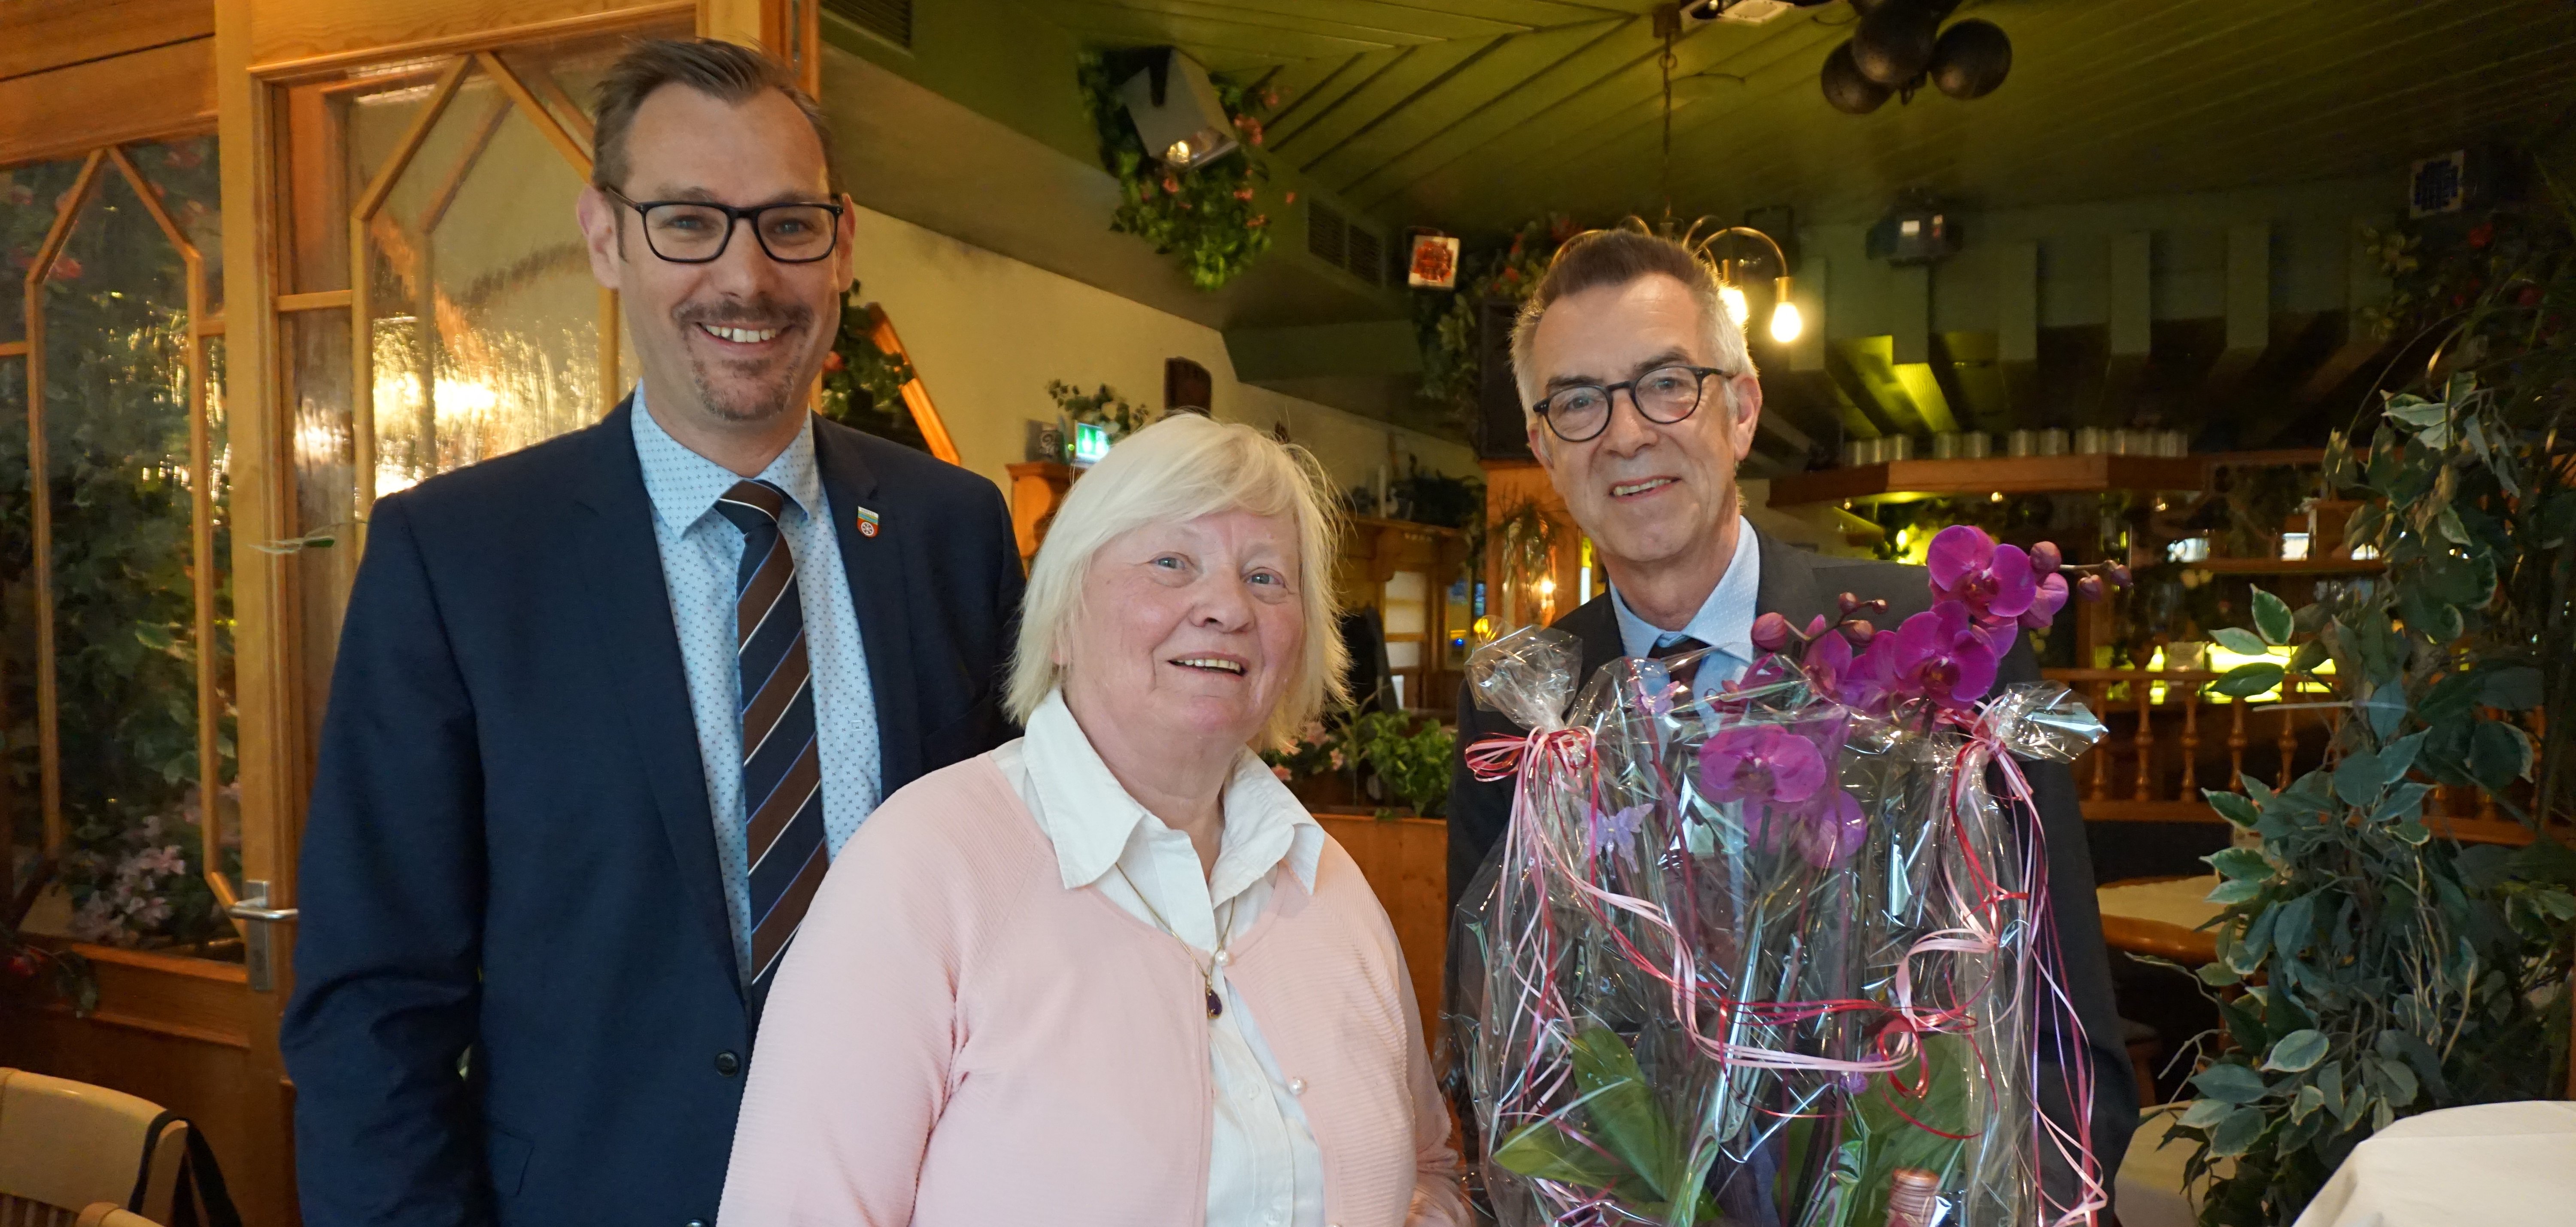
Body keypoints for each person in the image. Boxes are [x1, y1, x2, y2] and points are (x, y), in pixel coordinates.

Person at [281, 39, 1024, 1227]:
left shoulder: (953, 529)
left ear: (842, 245)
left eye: (788, 223)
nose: (747, 277)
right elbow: (376, 1004)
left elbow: (1028, 906)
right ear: (605, 237)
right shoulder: (460, 558)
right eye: (688, 221)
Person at [1443, 229, 2136, 1207]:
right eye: (1579, 401)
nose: (1628, 433)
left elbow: (2063, 1022)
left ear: (1742, 406)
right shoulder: (1525, 704)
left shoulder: (1929, 649)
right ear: (1545, 447)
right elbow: (1500, 1041)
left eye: (1667, 383)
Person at [719, 413, 1467, 1227]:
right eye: (1172, 562)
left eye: (1266, 578)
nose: (1226, 606)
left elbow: (1431, 1170)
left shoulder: (1328, 884)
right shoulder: (924, 869)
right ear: (1065, 615)